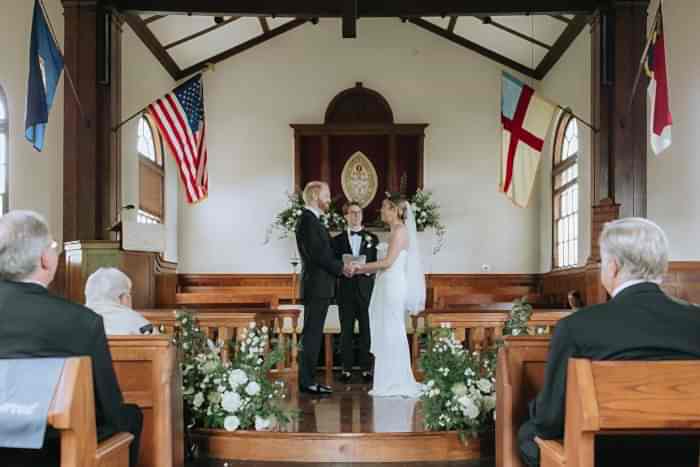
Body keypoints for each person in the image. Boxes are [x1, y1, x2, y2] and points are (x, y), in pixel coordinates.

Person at [518, 217, 700, 467]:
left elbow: (549, 422)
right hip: (682, 455)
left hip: (599, 457)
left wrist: (534, 409)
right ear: (662, 266)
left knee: (528, 435)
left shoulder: (577, 326)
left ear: (613, 267)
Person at [0, 211, 143, 467]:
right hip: (54, 452)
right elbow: (108, 409)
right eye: (53, 246)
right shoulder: (81, 321)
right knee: (130, 418)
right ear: (45, 259)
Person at [353, 194, 425, 397]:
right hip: (386, 283)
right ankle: (387, 379)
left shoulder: (400, 231)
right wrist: (367, 269)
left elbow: (387, 262)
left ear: (396, 210)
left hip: (393, 285)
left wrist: (360, 267)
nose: (381, 211)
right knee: (386, 329)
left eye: (385, 207)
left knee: (392, 329)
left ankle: (395, 380)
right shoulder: (394, 230)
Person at [296, 181, 354, 394]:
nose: (330, 199)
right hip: (316, 286)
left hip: (320, 286)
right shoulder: (308, 221)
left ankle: (309, 379)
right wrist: (342, 268)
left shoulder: (313, 221)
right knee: (311, 334)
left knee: (313, 333)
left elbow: (325, 250)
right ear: (314, 197)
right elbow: (320, 255)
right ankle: (307, 381)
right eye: (327, 195)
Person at [332, 201, 378, 383]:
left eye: (358, 213)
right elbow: (334, 264)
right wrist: (344, 268)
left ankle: (366, 369)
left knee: (367, 330)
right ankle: (346, 369)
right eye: (352, 213)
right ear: (346, 216)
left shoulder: (372, 238)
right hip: (346, 290)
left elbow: (375, 263)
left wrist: (365, 269)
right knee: (346, 331)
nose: (356, 216)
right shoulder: (336, 240)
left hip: (366, 290)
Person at [85, 267, 152, 335]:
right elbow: (158, 341)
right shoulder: (139, 323)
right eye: (128, 294)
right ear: (123, 297)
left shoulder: (76, 320)